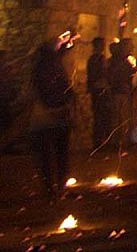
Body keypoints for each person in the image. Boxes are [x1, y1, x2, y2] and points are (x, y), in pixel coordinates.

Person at [28, 37, 74, 200]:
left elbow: (65, 88)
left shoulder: (44, 66)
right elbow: (48, 91)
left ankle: (55, 188)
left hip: (51, 118)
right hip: (49, 118)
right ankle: (54, 188)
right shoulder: (47, 68)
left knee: (53, 155)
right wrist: (61, 105)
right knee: (54, 154)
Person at [86, 36, 112, 153]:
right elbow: (97, 75)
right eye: (101, 44)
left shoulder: (95, 59)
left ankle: (100, 143)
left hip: (98, 90)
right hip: (99, 90)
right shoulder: (96, 59)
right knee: (101, 117)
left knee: (102, 117)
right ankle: (100, 144)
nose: (103, 47)